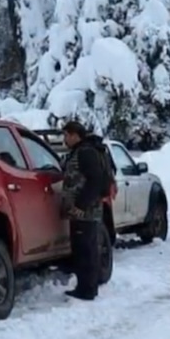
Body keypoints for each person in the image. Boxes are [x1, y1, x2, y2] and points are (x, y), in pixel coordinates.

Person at [60, 120, 110, 301]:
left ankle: (86, 289)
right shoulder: (82, 151)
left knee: (85, 250)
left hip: (85, 211)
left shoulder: (85, 153)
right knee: (86, 248)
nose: (64, 139)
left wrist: (80, 205)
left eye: (66, 135)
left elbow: (94, 180)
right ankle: (88, 287)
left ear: (75, 135)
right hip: (86, 209)